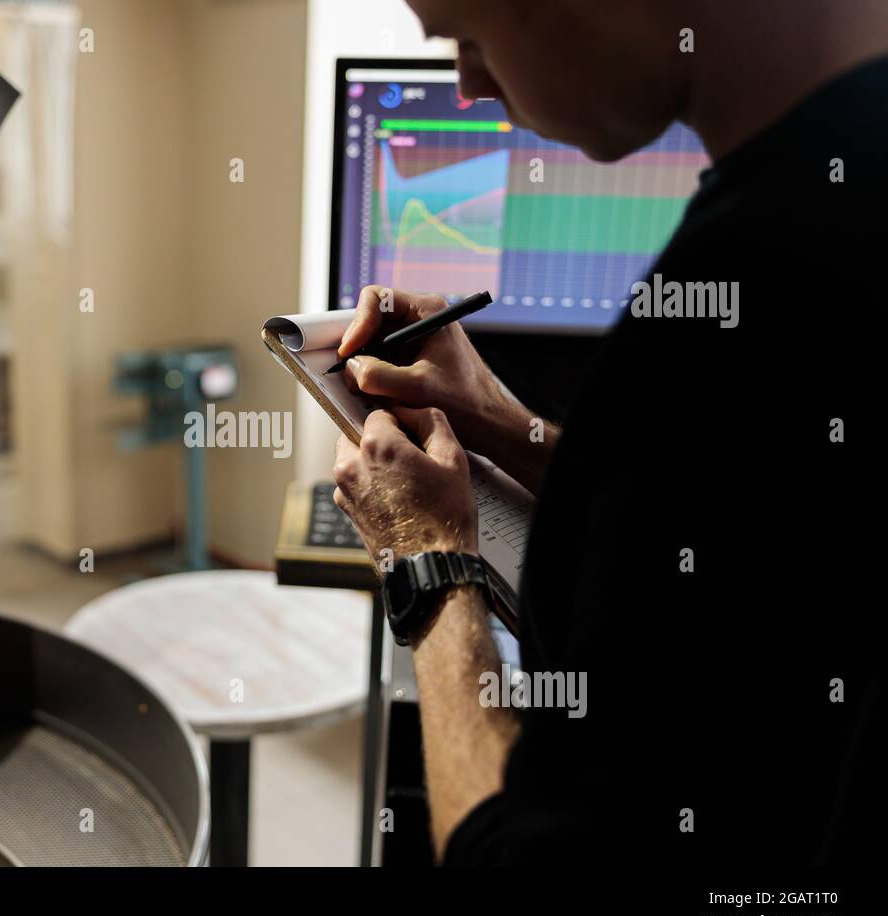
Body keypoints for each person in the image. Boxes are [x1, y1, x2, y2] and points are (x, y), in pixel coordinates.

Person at [332, 0, 883, 864]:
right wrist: (504, 422)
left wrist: (426, 560)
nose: (467, 82)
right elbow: (723, 523)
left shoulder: (754, 286)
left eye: (465, 33)